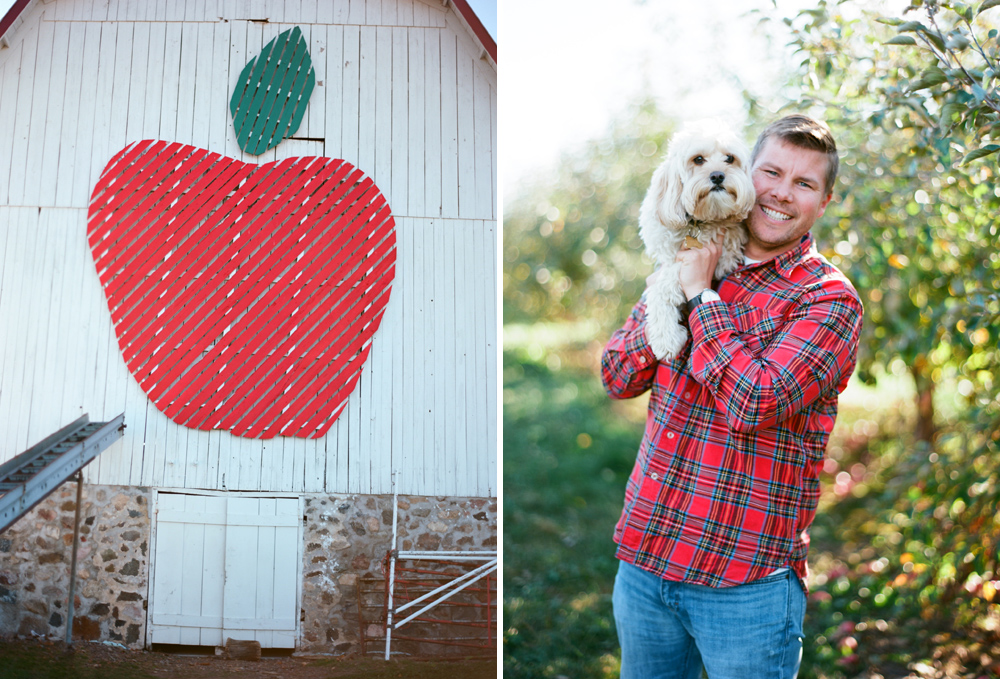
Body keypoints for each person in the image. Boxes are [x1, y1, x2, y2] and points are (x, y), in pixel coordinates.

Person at [601, 114, 863, 679]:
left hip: (742, 582)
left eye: (804, 183)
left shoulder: (829, 301)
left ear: (825, 200)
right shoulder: (692, 256)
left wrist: (700, 298)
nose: (781, 193)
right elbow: (618, 375)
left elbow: (753, 403)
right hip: (648, 560)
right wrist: (671, 288)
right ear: (754, 173)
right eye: (772, 172)